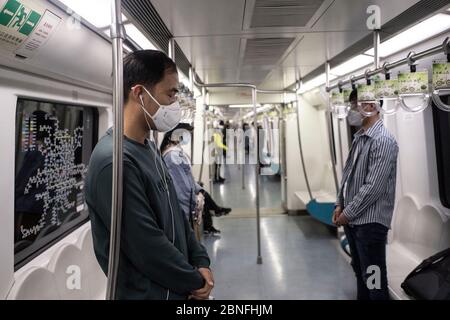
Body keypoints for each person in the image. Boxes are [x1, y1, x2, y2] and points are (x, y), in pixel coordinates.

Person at [85, 50, 213, 300]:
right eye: (170, 93)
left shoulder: (150, 148)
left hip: (176, 286)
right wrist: (195, 280)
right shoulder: (115, 162)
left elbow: (176, 215)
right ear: (140, 93)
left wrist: (200, 259)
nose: (174, 103)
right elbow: (146, 245)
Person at [332, 89, 399, 300]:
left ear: (370, 107)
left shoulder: (383, 141)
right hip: (354, 221)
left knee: (374, 279)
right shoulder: (360, 137)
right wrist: (339, 203)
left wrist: (347, 214)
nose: (352, 111)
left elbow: (374, 187)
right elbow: (348, 175)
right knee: (361, 273)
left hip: (370, 224)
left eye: (354, 106)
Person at [160, 124, 231, 236]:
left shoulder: (176, 152)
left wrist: (199, 191)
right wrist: (195, 202)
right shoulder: (172, 156)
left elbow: (188, 178)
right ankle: (215, 213)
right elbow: (182, 187)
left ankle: (215, 213)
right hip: (183, 209)